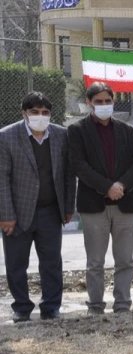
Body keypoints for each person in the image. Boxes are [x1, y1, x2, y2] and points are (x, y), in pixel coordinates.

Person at [68, 82, 133, 315]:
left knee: (125, 260)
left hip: (124, 203)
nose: (104, 105)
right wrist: (107, 187)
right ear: (90, 103)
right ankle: (95, 305)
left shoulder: (127, 130)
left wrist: (120, 185)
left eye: (108, 101)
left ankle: (122, 304)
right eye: (98, 101)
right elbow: (79, 165)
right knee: (95, 262)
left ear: (113, 101)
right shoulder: (77, 130)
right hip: (94, 206)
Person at [0, 92, 74, 322]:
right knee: (16, 264)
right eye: (34, 112)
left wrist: (68, 207)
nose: (40, 117)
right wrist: (6, 215)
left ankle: (51, 306)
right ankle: (22, 307)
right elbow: (2, 178)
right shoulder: (7, 137)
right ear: (24, 113)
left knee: (52, 262)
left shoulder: (61, 135)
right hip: (17, 214)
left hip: (50, 211)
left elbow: (68, 175)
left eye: (45, 113)